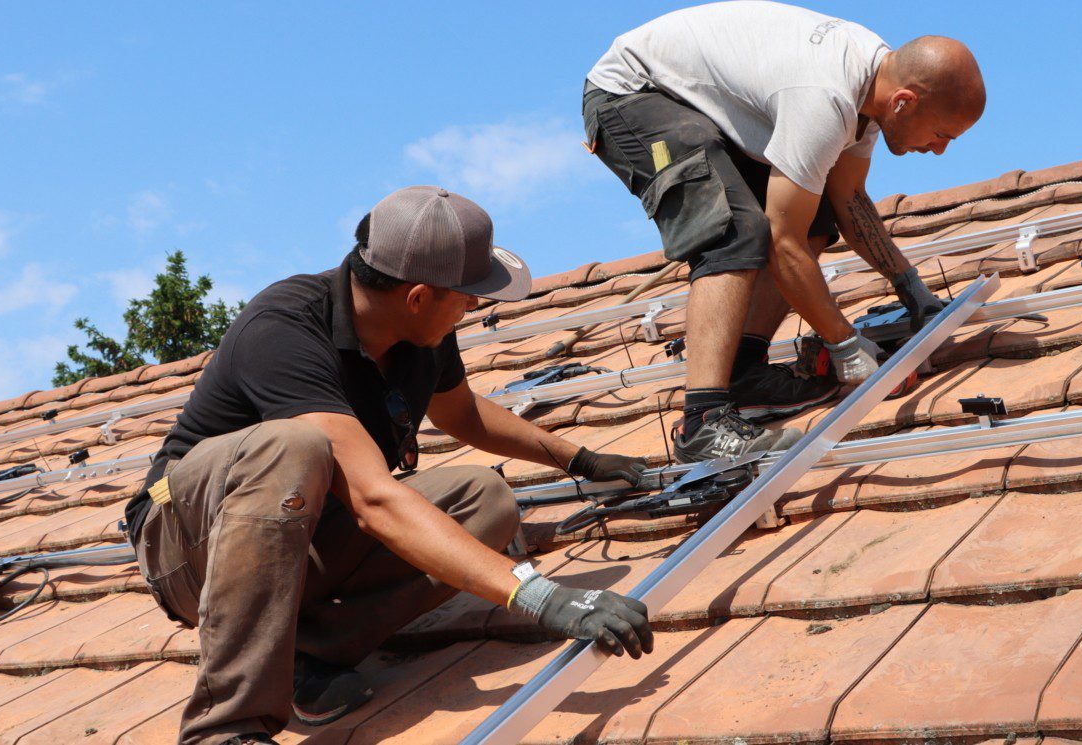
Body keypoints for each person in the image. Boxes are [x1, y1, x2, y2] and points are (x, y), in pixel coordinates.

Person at [124, 186, 656, 745]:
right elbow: (375, 500)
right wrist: (538, 597)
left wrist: (583, 459)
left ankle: (305, 654)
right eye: (468, 296)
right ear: (418, 295)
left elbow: (464, 414)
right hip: (184, 540)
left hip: (297, 532)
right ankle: (225, 728)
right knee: (295, 445)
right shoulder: (283, 329)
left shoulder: (421, 332)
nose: (475, 307)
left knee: (485, 500)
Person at [582, 1, 986, 462]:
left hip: (696, 103)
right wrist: (845, 344)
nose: (938, 151)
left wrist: (913, 292)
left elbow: (848, 200)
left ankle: (744, 373)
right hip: (632, 95)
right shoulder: (825, 97)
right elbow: (782, 243)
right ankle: (703, 423)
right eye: (941, 134)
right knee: (734, 231)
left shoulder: (873, 95)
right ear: (904, 102)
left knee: (814, 217)